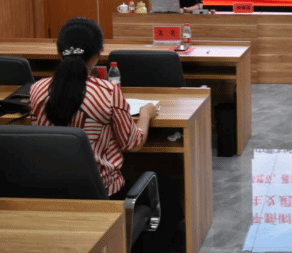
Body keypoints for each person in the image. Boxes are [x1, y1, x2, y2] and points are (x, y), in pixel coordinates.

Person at [29, 17, 183, 253]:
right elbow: (133, 143)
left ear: (60, 52)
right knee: (167, 189)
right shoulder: (108, 92)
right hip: (103, 196)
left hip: (54, 194)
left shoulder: (37, 90)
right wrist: (145, 114)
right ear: (96, 56)